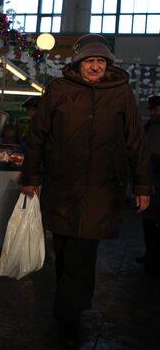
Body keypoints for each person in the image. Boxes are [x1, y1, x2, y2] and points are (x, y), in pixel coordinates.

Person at [19, 33, 152, 347]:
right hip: (61, 185)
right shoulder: (59, 90)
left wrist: (143, 185)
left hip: (101, 190)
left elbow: (136, 140)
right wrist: (31, 176)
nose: (95, 67)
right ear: (78, 64)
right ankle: (68, 308)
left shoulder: (120, 92)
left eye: (101, 61)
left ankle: (69, 317)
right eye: (90, 61)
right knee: (64, 250)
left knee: (82, 255)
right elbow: (38, 136)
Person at [141, 95, 160, 275]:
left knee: (152, 224)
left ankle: (152, 259)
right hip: (151, 180)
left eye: (156, 109)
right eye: (153, 109)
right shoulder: (150, 127)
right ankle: (150, 256)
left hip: (155, 180)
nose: (154, 112)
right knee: (150, 224)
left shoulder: (153, 127)